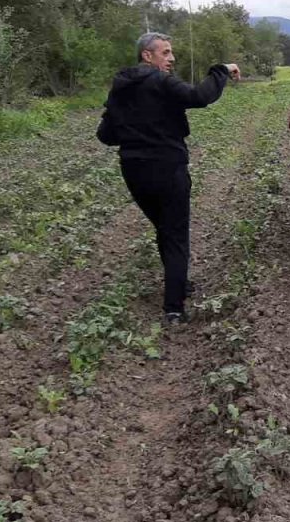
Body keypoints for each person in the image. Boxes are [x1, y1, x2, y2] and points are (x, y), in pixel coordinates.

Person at [96, 33, 240, 323]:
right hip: (167, 167)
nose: (171, 59)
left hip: (134, 170)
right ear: (147, 56)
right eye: (166, 52)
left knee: (164, 228)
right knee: (174, 233)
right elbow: (199, 97)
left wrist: (133, 127)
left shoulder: (120, 88)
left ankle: (179, 281)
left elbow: (105, 135)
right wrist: (221, 70)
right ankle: (174, 307)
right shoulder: (160, 81)